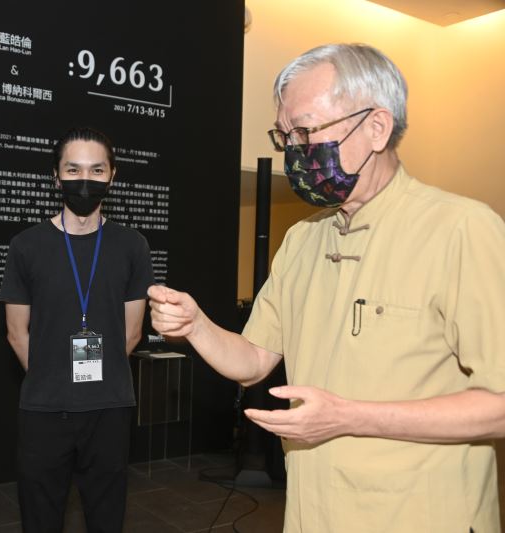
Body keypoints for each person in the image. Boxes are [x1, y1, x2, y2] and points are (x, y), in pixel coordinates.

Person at [148, 43, 505, 533]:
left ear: (377, 128)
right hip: (312, 514)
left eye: (306, 130)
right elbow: (253, 361)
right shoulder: (303, 239)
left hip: (420, 514)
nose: (294, 150)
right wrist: (195, 326)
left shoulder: (462, 229)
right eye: (285, 135)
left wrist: (348, 416)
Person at [0, 127, 155, 533]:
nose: (84, 179)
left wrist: (93, 384)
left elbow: (133, 332)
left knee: (106, 517)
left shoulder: (132, 245)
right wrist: (54, 381)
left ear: (112, 176)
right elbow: (17, 332)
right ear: (56, 176)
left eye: (96, 169)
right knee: (40, 517)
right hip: (43, 409)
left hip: (109, 407)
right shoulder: (26, 246)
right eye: (73, 169)